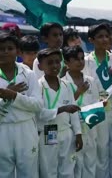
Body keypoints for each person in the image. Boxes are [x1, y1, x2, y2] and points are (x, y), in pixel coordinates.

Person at [0, 32, 43, 178]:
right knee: (4, 173)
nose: (5, 52)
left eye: (9, 48)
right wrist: (6, 97)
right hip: (2, 129)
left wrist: (13, 96)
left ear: (17, 51)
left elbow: (37, 105)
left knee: (28, 172)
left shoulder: (29, 74)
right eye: (1, 48)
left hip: (25, 129)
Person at [37, 48, 83, 178]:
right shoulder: (38, 86)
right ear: (40, 66)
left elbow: (73, 111)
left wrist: (78, 133)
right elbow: (39, 113)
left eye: (58, 62)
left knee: (67, 169)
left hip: (66, 131)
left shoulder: (67, 85)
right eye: (50, 63)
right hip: (48, 130)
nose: (55, 66)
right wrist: (61, 109)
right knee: (49, 170)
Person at [62, 45, 102, 178]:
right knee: (75, 160)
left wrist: (93, 126)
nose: (80, 62)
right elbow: (63, 105)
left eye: (82, 58)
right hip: (72, 125)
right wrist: (78, 92)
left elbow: (96, 102)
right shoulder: (63, 82)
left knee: (91, 159)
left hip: (90, 123)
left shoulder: (90, 80)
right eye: (75, 59)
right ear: (67, 62)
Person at [83, 23, 112, 178]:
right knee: (96, 147)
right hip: (93, 107)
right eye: (100, 36)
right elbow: (85, 85)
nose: (104, 39)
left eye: (106, 36)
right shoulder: (85, 61)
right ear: (91, 39)